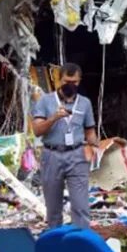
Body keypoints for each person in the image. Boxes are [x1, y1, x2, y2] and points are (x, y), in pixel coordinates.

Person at [32, 63, 99, 228]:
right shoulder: (45, 101)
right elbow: (37, 130)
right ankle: (56, 246)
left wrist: (95, 147)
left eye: (74, 82)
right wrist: (53, 118)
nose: (70, 85)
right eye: (66, 81)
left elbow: (90, 131)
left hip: (76, 154)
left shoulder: (85, 103)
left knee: (81, 206)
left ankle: (81, 244)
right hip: (51, 155)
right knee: (53, 208)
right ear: (58, 79)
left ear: (79, 81)